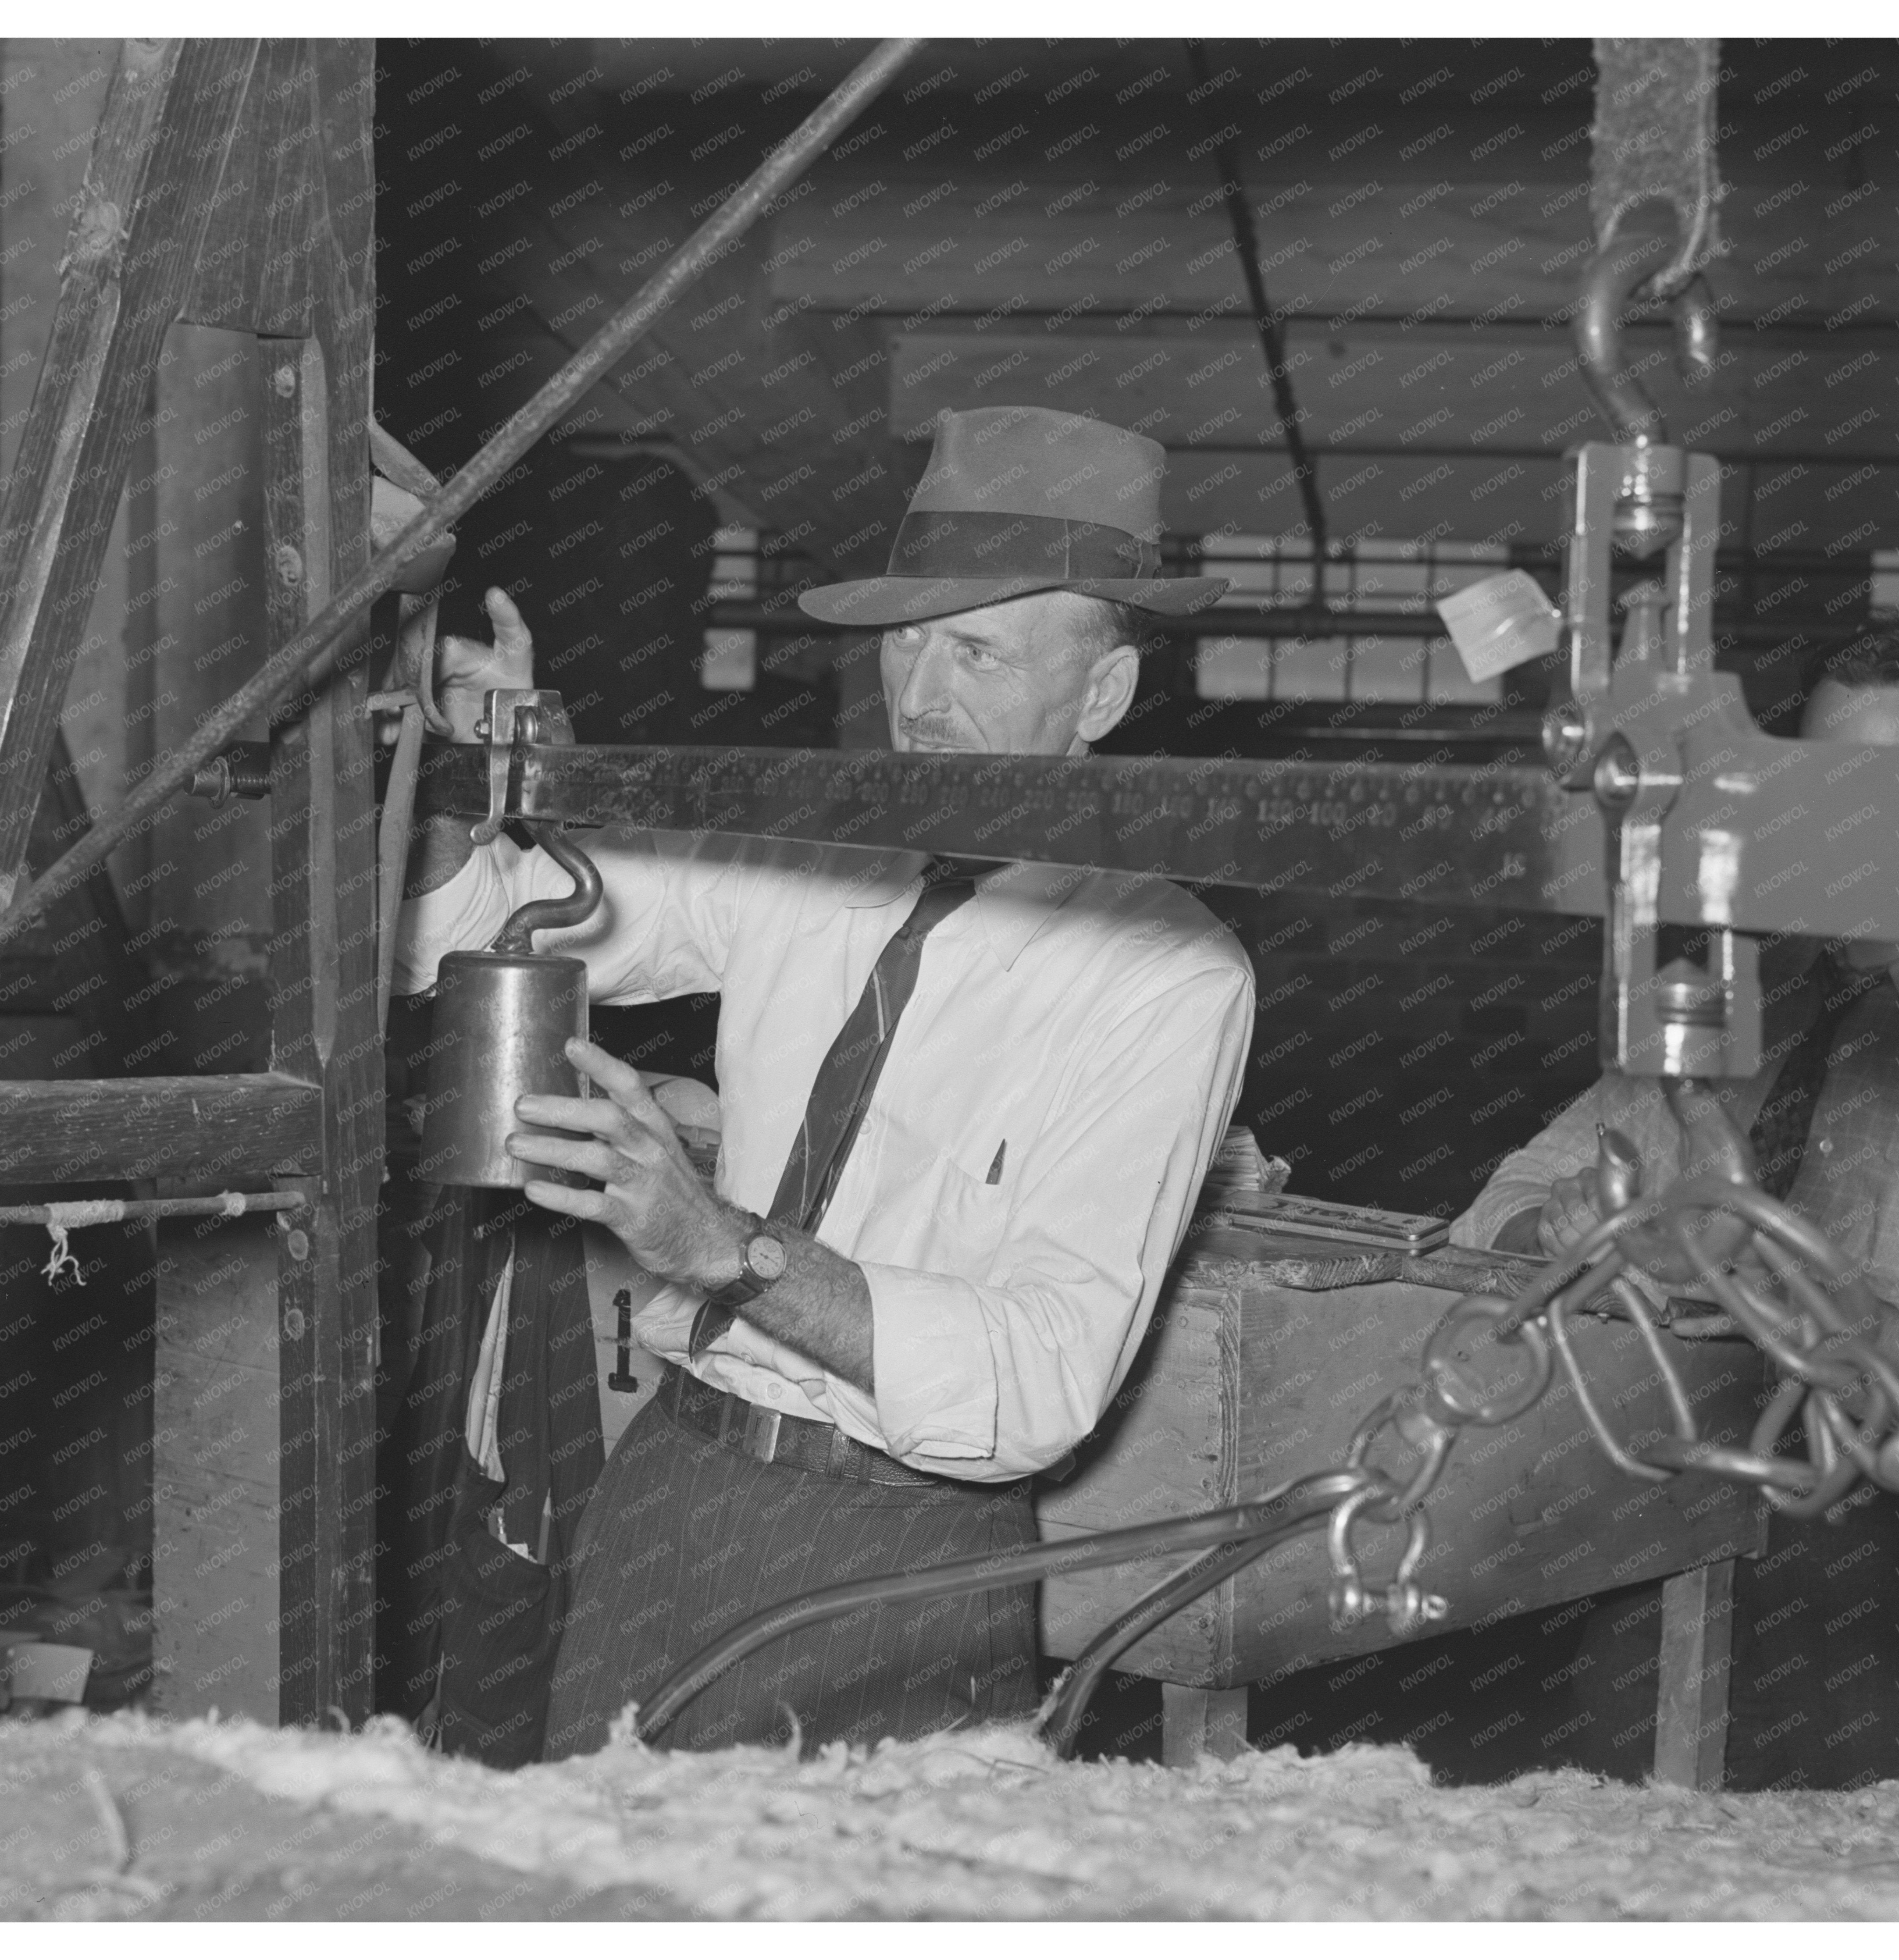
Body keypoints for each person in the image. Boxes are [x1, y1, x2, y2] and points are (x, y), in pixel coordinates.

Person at [393, 406, 1254, 1758]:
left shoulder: (1164, 978)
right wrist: (466, 774)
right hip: (668, 1494)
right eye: (906, 643)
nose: (918, 699)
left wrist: (713, 1244)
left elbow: (1037, 1382)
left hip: (902, 1558)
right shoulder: (805, 855)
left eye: (973, 650)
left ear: (1099, 696)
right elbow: (464, 932)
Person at [1452, 628, 1899, 1468]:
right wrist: (1558, 1230)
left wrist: (1787, 1310)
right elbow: (1503, 1201)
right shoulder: (1740, 988)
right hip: (1679, 1463)